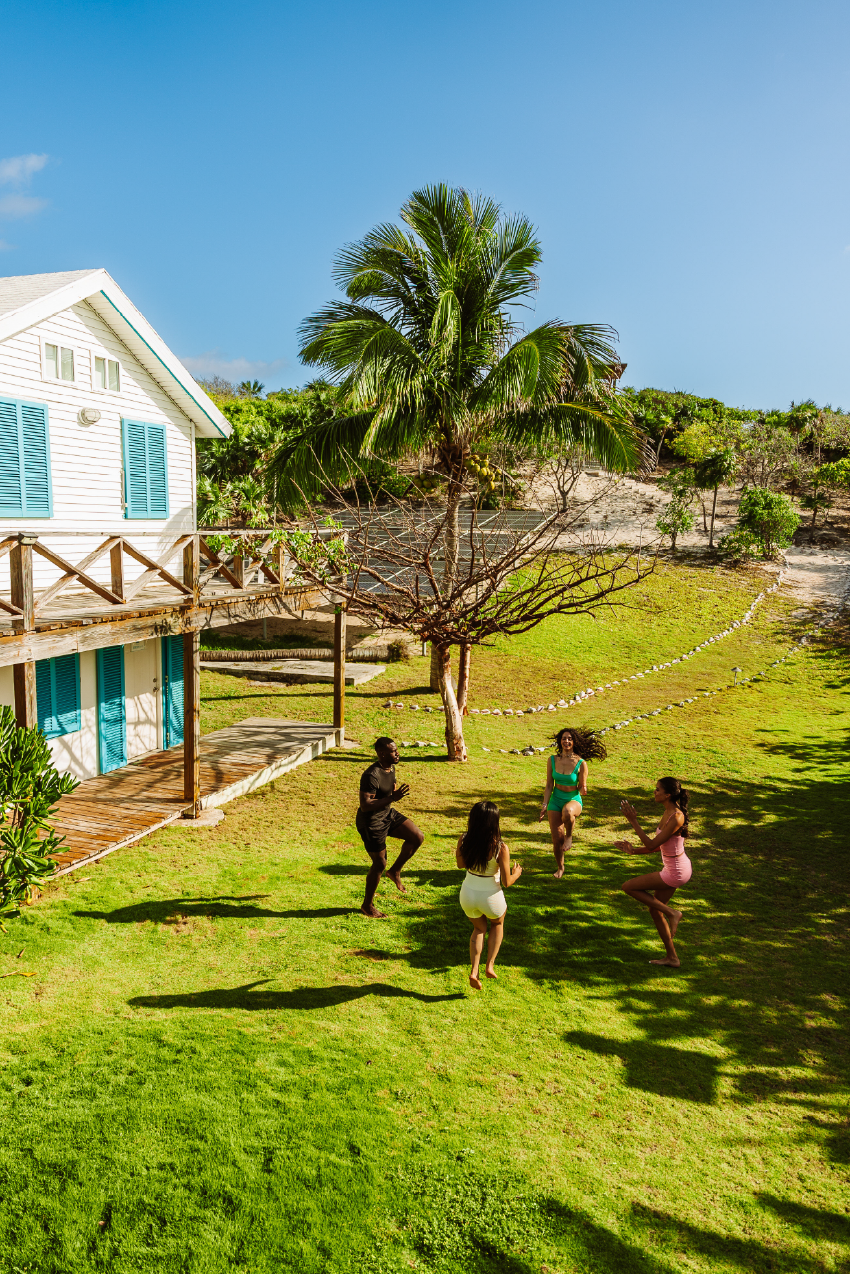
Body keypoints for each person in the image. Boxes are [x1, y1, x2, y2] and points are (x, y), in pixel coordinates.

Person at [615, 777, 693, 967]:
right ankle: (672, 958)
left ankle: (673, 913)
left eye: (657, 790)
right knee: (654, 909)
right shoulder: (668, 812)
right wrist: (633, 851)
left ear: (667, 795)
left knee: (629, 887)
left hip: (676, 871)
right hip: (674, 867)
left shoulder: (676, 817)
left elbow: (651, 843)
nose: (654, 792)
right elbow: (657, 847)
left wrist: (633, 821)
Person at [456, 801, 522, 990]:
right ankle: (490, 964)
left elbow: (461, 865)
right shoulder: (500, 847)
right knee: (497, 923)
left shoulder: (464, 839)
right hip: (490, 895)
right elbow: (506, 882)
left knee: (478, 930)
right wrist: (516, 872)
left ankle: (474, 971)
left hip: (468, 894)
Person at [355, 737, 424, 918]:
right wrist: (392, 798)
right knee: (379, 863)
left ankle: (394, 871)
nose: (397, 753)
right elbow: (365, 805)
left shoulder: (391, 767)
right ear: (382, 753)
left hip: (387, 814)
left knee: (417, 836)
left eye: (397, 750)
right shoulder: (371, 775)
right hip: (371, 822)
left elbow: (387, 793)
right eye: (393, 751)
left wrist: (392, 796)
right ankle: (367, 906)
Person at [538, 726, 607, 878]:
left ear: (574, 742)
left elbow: (582, 786)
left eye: (569, 739)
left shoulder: (581, 763)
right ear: (559, 741)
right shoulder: (552, 760)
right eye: (564, 738)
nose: (566, 741)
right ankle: (560, 867)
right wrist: (545, 804)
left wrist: (584, 788)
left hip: (573, 799)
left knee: (568, 812)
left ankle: (569, 835)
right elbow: (549, 785)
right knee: (556, 840)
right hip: (556, 799)